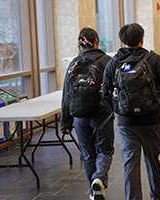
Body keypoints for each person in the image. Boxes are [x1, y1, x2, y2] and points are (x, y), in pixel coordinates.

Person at [102, 23, 160, 200]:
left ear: (123, 42)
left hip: (126, 122)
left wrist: (119, 109)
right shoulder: (154, 60)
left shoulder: (113, 63)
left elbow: (106, 93)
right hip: (151, 120)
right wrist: (156, 106)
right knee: (153, 160)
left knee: (130, 163)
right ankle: (157, 195)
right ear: (142, 39)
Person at [60, 27, 114, 200]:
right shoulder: (107, 61)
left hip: (79, 116)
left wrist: (65, 123)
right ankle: (99, 177)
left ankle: (93, 193)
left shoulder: (73, 64)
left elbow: (66, 95)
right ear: (96, 42)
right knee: (105, 149)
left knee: (87, 154)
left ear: (80, 44)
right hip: (102, 114)